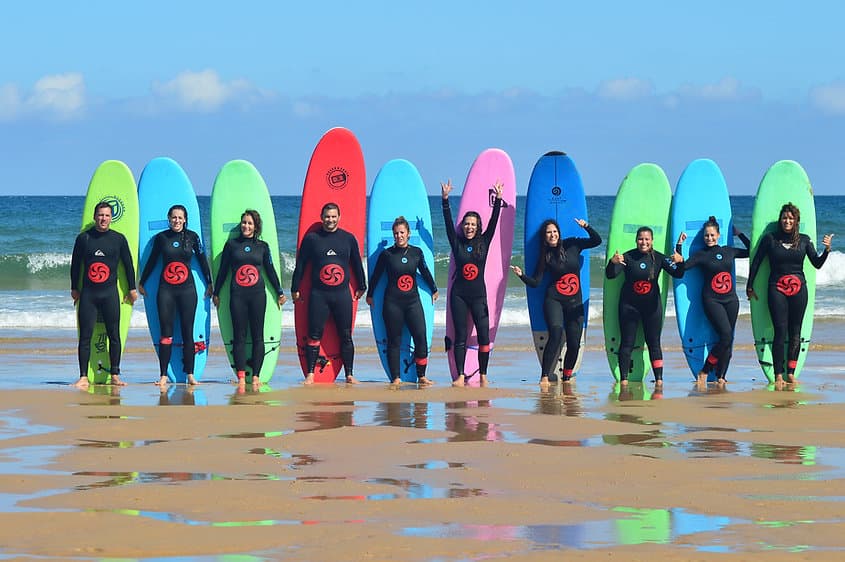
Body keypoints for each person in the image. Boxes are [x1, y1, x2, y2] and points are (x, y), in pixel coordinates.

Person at [746, 203, 833, 387]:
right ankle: (778, 374)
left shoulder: (804, 240)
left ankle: (791, 373)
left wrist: (826, 250)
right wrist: (749, 286)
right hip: (776, 288)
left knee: (795, 332)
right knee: (780, 331)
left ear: (796, 221)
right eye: (785, 218)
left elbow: (816, 264)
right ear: (781, 220)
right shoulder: (770, 239)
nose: (787, 221)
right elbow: (756, 263)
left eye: (791, 218)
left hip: (799, 290)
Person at [511, 217, 601, 387]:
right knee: (556, 333)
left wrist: (586, 226)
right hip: (554, 300)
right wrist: (522, 275)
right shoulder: (546, 256)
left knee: (574, 342)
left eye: (554, 231)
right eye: (548, 233)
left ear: (559, 233)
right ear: (544, 237)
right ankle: (544, 375)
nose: (552, 235)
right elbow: (536, 282)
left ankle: (567, 376)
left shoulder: (573, 244)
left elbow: (597, 241)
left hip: (575, 302)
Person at [291, 202, 367, 385]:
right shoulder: (311, 239)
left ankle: (349, 374)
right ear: (321, 217)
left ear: (339, 218)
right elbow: (300, 266)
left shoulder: (348, 239)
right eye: (327, 216)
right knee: (314, 335)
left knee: (346, 335)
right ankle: (310, 374)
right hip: (319, 295)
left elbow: (356, 264)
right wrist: (295, 288)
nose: (330, 220)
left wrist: (362, 285)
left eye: (333, 216)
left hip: (342, 295)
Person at [138, 204, 212, 387]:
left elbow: (202, 260)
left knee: (188, 333)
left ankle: (190, 375)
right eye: (173, 218)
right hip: (166, 291)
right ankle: (163, 375)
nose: (176, 221)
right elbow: (152, 260)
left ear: (185, 219)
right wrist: (142, 281)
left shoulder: (193, 238)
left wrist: (210, 283)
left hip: (187, 291)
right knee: (166, 334)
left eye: (180, 218)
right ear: (169, 219)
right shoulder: (161, 238)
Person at [212, 209, 286, 389]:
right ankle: (241, 377)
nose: (246, 226)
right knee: (239, 336)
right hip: (237, 295)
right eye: (244, 222)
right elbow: (223, 271)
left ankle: (256, 377)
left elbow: (270, 270)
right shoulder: (231, 245)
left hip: (257, 296)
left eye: (250, 223)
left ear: (256, 226)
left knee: (257, 335)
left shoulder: (263, 247)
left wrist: (279, 292)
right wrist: (217, 292)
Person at [441, 178, 503, 387]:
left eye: (473, 224)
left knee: (483, 335)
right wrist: (445, 200)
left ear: (478, 227)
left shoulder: (483, 242)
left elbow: (494, 223)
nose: (469, 226)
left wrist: (499, 200)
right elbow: (449, 225)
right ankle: (460, 375)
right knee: (460, 336)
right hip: (458, 295)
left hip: (478, 296)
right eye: (466, 223)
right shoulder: (457, 243)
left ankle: (483, 375)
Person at [674, 217, 750, 386]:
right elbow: (682, 268)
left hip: (731, 300)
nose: (709, 238)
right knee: (725, 336)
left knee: (728, 340)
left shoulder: (728, 251)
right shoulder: (701, 255)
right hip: (712, 300)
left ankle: (721, 377)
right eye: (706, 236)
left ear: (718, 235)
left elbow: (751, 250)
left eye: (712, 235)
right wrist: (679, 246)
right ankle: (705, 371)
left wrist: (739, 233)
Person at [70, 201, 138, 388]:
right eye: (100, 215)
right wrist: (74, 288)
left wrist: (132, 288)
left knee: (114, 335)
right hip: (89, 295)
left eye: (107, 215)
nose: (103, 218)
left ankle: (115, 374)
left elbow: (128, 264)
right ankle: (83, 376)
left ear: (111, 218)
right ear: (94, 216)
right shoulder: (84, 239)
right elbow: (75, 265)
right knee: (85, 336)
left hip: (110, 294)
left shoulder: (118, 239)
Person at [605, 226, 684, 386]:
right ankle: (624, 380)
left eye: (647, 239)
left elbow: (678, 273)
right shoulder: (627, 257)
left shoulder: (660, 258)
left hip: (652, 308)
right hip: (629, 307)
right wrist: (612, 263)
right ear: (636, 240)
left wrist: (680, 259)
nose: (644, 242)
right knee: (627, 343)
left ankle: (659, 380)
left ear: (652, 241)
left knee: (654, 343)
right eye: (641, 239)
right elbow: (611, 275)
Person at [366, 216, 439, 386]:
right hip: (392, 303)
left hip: (413, 302)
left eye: (402, 233)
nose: (399, 236)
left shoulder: (416, 252)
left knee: (420, 337)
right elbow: (376, 276)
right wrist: (370, 295)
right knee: (394, 340)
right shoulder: (387, 254)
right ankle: (396, 378)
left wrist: (434, 289)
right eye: (396, 233)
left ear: (408, 233)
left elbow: (425, 272)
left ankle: (421, 376)